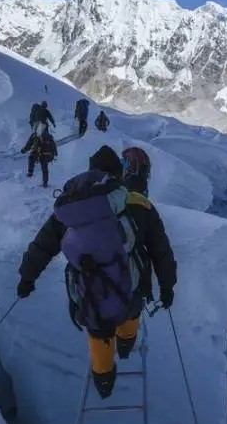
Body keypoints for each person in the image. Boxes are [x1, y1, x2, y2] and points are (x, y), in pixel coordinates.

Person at [16, 145, 176, 399]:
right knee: (129, 313)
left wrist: (27, 277)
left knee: (98, 329)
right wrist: (168, 285)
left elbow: (44, 244)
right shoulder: (137, 204)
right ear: (117, 174)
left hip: (87, 291)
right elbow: (160, 249)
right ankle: (125, 344)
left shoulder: (72, 207)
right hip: (130, 289)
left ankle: (104, 381)